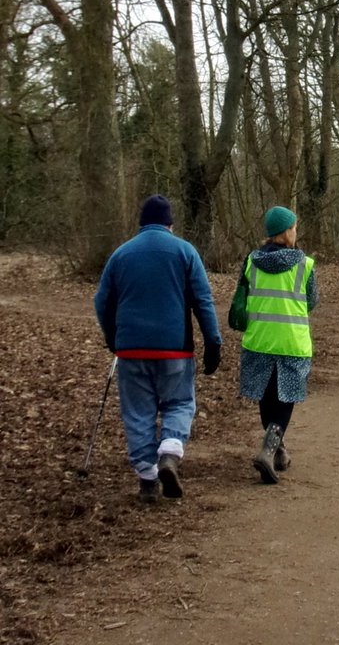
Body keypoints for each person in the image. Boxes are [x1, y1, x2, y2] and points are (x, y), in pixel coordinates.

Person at [93, 194, 222, 504]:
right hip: (175, 349)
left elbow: (102, 301)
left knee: (138, 412)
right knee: (179, 403)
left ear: (141, 222)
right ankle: (169, 452)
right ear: (170, 223)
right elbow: (202, 300)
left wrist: (113, 337)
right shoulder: (185, 251)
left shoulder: (121, 254)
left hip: (131, 350)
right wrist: (213, 341)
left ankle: (148, 479)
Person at [235, 205, 318, 484]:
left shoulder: (251, 261)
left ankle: (276, 450)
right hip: (291, 342)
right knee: (285, 398)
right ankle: (268, 451)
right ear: (285, 231)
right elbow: (312, 301)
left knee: (266, 395)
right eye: (294, 227)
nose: (296, 232)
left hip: (259, 339)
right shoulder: (304, 264)